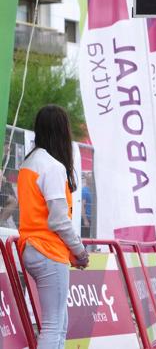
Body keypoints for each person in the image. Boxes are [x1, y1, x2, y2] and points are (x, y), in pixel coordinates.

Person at [17, 105, 89, 348]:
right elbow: (58, 219)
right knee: (53, 326)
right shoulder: (53, 167)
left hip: (30, 248)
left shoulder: (29, 164)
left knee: (58, 324)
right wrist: (79, 251)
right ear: (62, 131)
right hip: (49, 251)